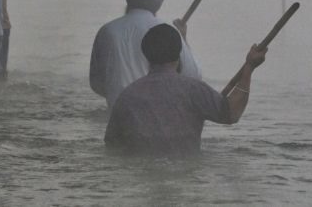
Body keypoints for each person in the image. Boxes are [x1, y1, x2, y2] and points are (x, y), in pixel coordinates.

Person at [104, 23, 267, 156]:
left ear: (146, 55)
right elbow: (232, 113)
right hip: (186, 175)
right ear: (179, 53)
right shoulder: (194, 90)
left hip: (140, 176)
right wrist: (249, 68)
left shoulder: (128, 96)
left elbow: (112, 146)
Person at [90, 0, 202, 108]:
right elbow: (193, 76)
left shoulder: (107, 30)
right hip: (156, 114)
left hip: (118, 113)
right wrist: (183, 36)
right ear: (158, 5)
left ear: (128, 0)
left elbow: (96, 83)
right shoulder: (167, 31)